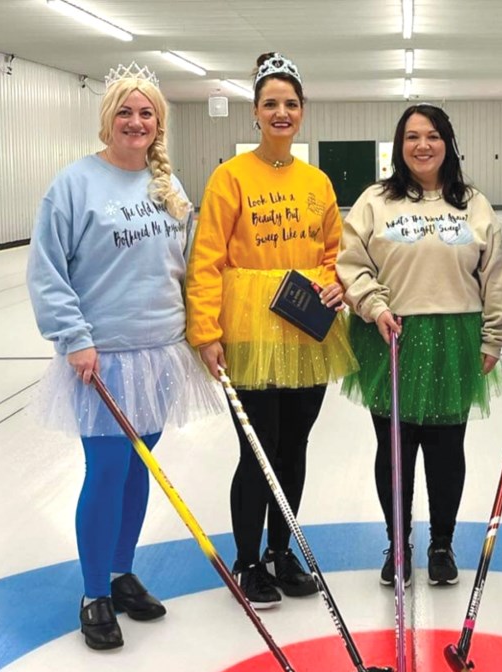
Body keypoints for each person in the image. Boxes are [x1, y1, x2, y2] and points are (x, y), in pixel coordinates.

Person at [26, 63, 223, 650]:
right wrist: (74, 337)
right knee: (108, 470)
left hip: (161, 352)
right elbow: (48, 269)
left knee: (141, 468)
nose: (136, 122)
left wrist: (201, 330)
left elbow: (186, 269)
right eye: (125, 111)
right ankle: (93, 593)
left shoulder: (170, 186)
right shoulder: (74, 184)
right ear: (107, 119)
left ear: (159, 124)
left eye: (146, 113)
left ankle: (120, 571)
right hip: (103, 354)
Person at [185, 53, 357, 609]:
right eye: (270, 104)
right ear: (254, 113)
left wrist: (336, 282)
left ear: (302, 112)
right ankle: (247, 559)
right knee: (259, 447)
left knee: (296, 444)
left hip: (308, 327)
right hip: (252, 329)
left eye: (290, 104)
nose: (281, 113)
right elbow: (206, 258)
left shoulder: (317, 181)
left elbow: (337, 251)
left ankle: (283, 550)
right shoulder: (230, 177)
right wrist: (205, 331)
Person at [337, 103, 502, 587]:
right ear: (399, 146)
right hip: (391, 335)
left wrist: (495, 334)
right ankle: (398, 543)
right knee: (393, 450)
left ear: (447, 143)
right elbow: (351, 264)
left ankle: (441, 543)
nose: (422, 145)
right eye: (412, 136)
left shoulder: (472, 203)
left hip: (454, 337)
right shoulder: (376, 200)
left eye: (432, 135)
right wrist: (373, 305)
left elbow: (497, 272)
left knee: (445, 450)